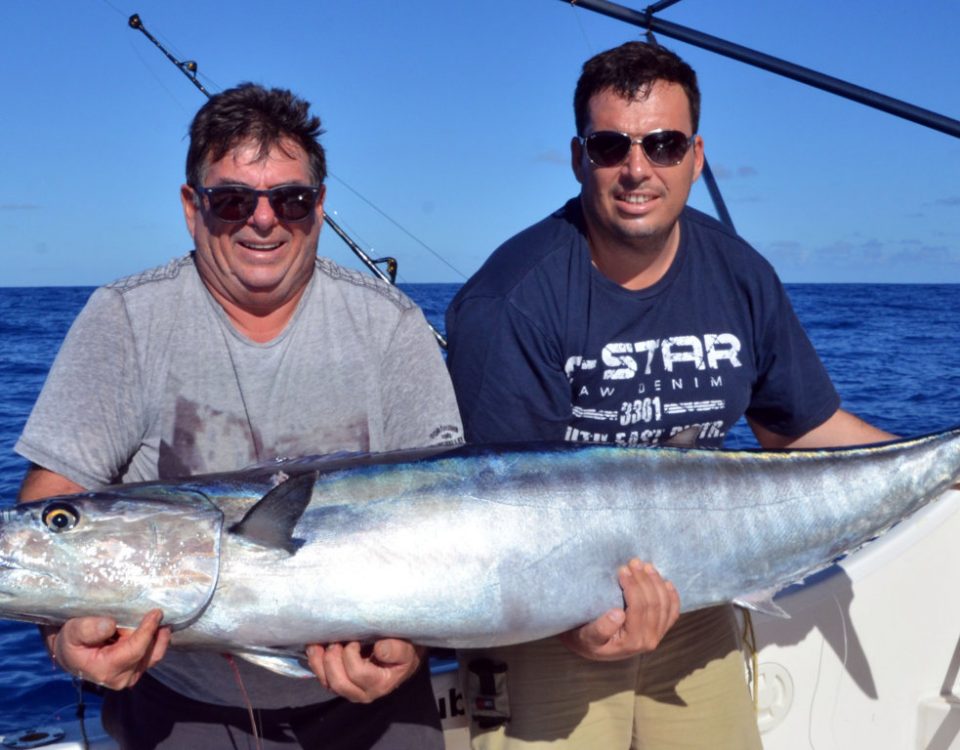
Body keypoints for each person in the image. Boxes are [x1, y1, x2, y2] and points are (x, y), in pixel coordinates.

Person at [445, 41, 893, 749]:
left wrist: (934, 464)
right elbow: (505, 523)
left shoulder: (739, 273)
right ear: (577, 157)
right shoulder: (511, 301)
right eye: (610, 145)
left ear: (697, 154)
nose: (637, 168)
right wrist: (586, 629)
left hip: (698, 599)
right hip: (550, 626)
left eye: (663, 143)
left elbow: (802, 428)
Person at [15, 83, 463, 749]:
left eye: (291, 199)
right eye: (232, 200)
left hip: (373, 705)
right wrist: (62, 636)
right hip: (182, 702)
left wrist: (414, 644)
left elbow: (456, 519)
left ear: (318, 208)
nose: (263, 220)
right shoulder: (127, 320)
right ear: (192, 209)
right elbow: (54, 503)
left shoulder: (390, 325)